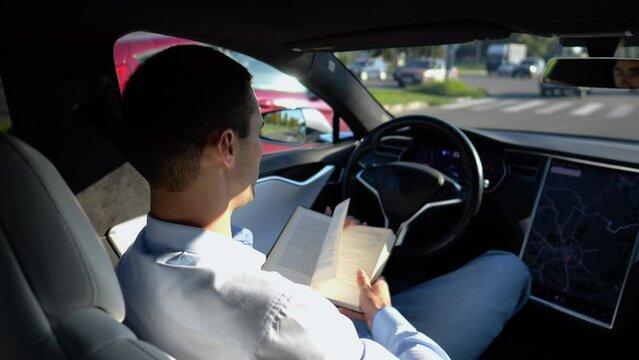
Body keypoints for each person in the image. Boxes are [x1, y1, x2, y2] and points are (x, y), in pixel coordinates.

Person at [114, 45, 531, 360]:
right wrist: (383, 316)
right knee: (507, 269)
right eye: (258, 132)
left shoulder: (130, 266)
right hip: (353, 339)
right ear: (227, 147)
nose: (260, 148)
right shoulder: (283, 313)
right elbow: (281, 318)